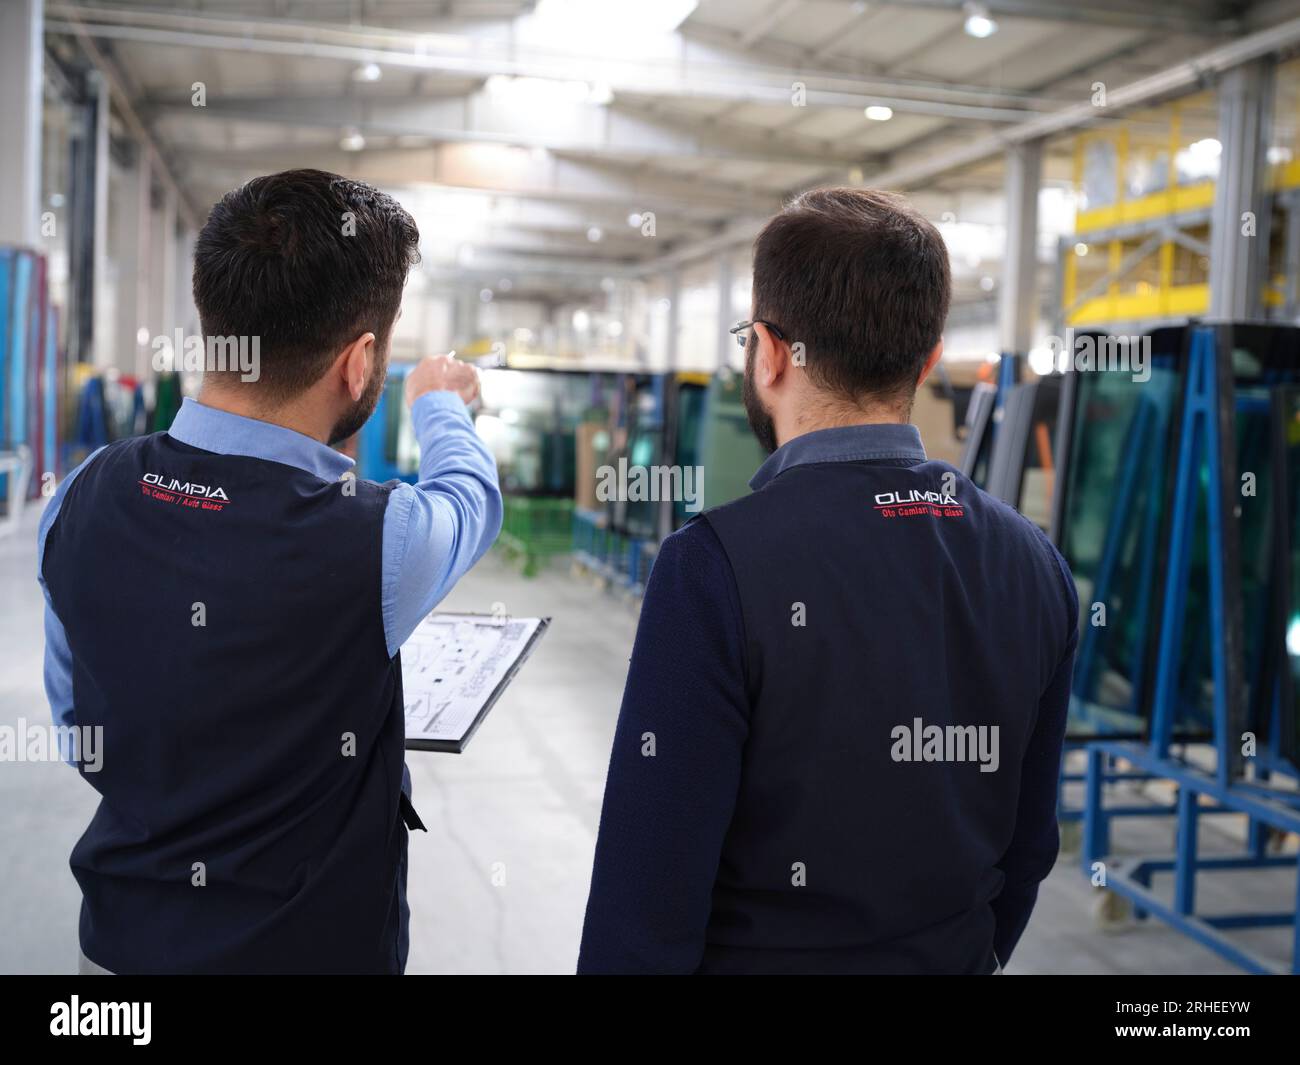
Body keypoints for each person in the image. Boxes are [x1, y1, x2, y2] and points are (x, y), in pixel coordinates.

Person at [578, 187, 1077, 975]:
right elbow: (1026, 852)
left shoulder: (711, 567)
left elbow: (646, 900)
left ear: (771, 353)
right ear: (929, 359)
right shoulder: (1034, 563)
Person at [38, 168, 502, 975]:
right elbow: (470, 496)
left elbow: (83, 727)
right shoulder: (383, 540)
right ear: (360, 365)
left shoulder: (81, 496)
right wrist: (440, 399)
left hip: (117, 963)